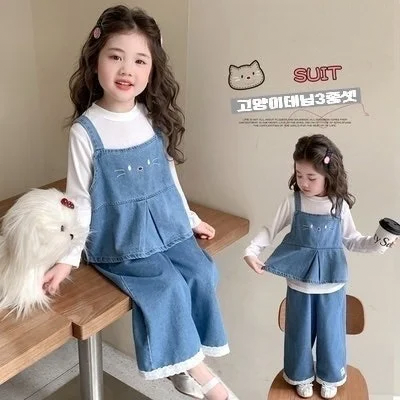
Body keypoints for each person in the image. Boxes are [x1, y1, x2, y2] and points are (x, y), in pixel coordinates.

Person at [42, 6, 238, 400]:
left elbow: (169, 179)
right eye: (115, 56)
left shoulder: (152, 116)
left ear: (152, 69)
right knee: (165, 287)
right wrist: (68, 258)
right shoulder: (86, 130)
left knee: (202, 272)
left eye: (139, 60)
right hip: (121, 237)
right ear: (95, 61)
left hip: (167, 224)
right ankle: (203, 376)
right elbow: (78, 199)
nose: (126, 69)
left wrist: (190, 218)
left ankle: (183, 365)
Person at [244, 134, 381, 399]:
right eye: (299, 175)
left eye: (311, 177)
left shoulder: (339, 206)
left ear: (329, 174)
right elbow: (269, 230)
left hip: (332, 285)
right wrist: (251, 250)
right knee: (298, 334)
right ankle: (300, 376)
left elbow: (352, 240)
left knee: (332, 335)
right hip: (299, 284)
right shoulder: (293, 202)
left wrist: (377, 244)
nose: (304, 183)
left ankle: (330, 376)